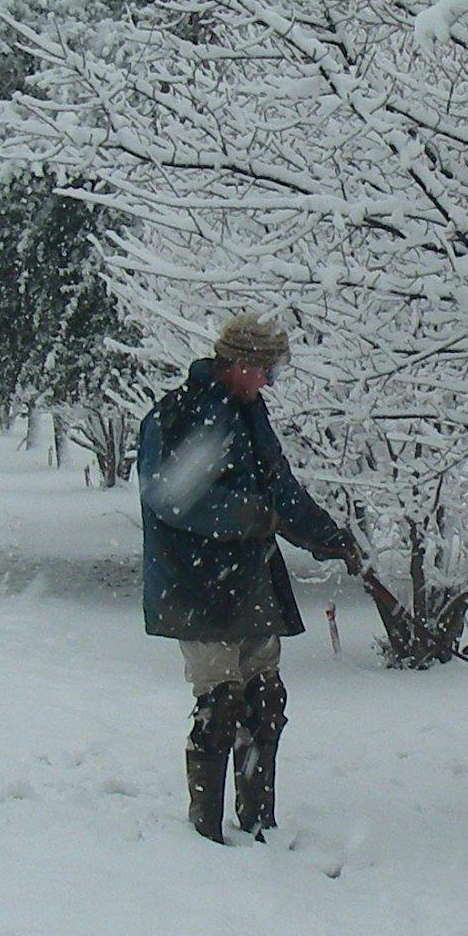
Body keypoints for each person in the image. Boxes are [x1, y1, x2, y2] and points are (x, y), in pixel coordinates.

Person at [136, 314, 362, 843]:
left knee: (265, 702)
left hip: (251, 579)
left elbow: (280, 489)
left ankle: (259, 821)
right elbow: (171, 496)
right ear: (239, 363)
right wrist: (250, 514)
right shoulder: (178, 415)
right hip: (194, 583)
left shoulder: (250, 414)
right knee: (219, 706)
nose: (270, 383)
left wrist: (326, 536)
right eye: (266, 371)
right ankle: (206, 832)